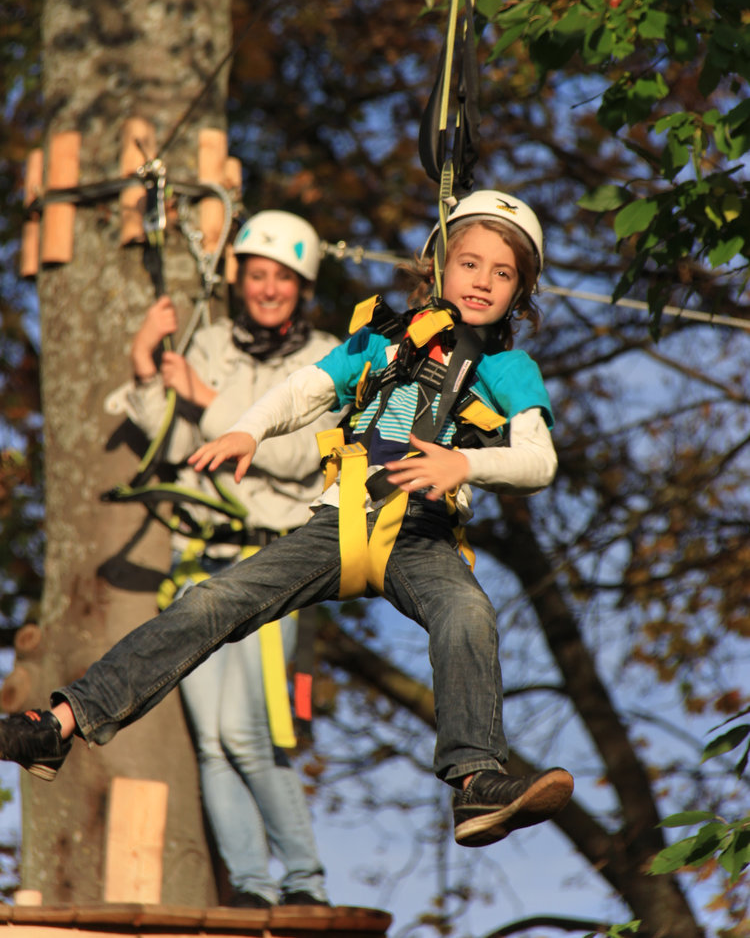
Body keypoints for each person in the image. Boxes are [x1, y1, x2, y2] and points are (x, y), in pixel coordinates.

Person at [0, 190, 574, 850]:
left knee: (468, 613)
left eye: (503, 275)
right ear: (438, 267)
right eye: (470, 264)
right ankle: (60, 724)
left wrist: (464, 467)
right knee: (210, 602)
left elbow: (539, 458)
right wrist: (249, 430)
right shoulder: (385, 338)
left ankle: (477, 781)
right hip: (339, 522)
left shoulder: (506, 368)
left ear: (519, 293)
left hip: (421, 534)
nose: (484, 282)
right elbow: (307, 388)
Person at [125, 210, 338, 908]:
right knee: (212, 742)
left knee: (251, 733)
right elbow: (169, 437)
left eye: (283, 277)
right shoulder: (210, 342)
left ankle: (304, 882)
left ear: (302, 286)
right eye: (257, 274)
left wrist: (207, 399)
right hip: (199, 561)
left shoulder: (330, 360)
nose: (268, 288)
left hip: (270, 561)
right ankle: (249, 886)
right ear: (239, 278)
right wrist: (145, 367)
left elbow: (294, 458)